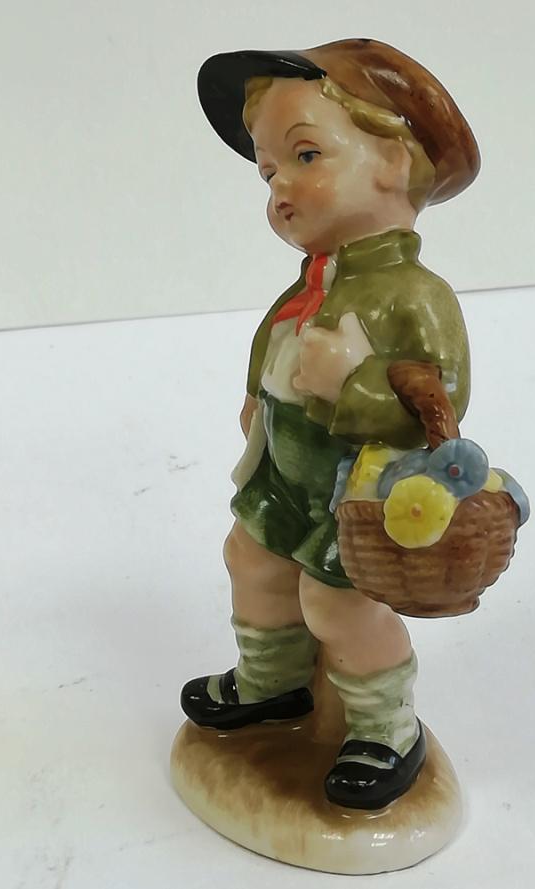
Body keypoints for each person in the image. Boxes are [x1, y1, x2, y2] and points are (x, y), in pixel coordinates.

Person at [180, 38, 480, 810]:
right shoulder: (309, 283)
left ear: (393, 162)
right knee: (251, 558)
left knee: (337, 603)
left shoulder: (414, 293)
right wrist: (257, 394)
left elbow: (444, 395)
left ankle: (385, 726)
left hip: (357, 491)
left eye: (305, 154)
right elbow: (273, 344)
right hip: (283, 469)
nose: (280, 186)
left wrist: (354, 385)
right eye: (268, 171)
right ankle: (272, 680)